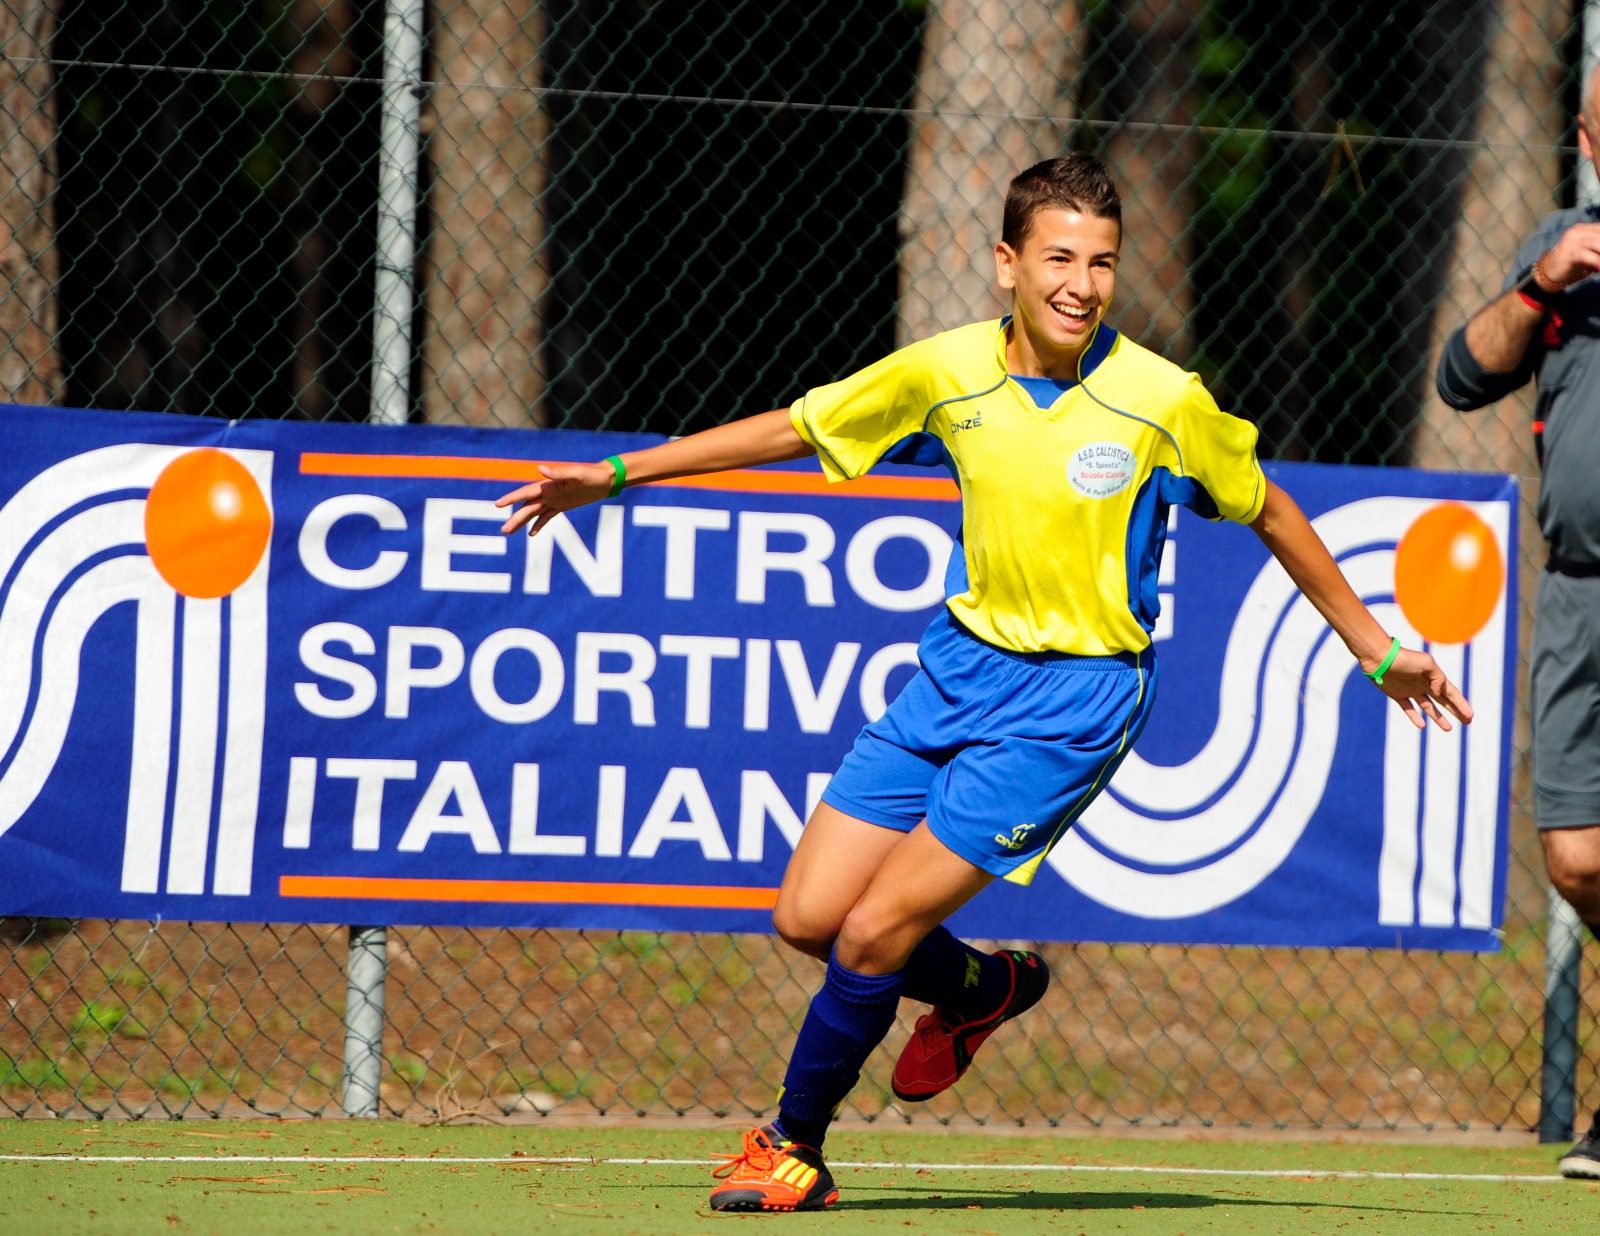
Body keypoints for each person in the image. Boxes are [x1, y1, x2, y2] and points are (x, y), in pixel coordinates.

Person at [501, 153, 1472, 1213]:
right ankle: (986, 987)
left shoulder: (1160, 399)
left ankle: (794, 1146)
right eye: (1058, 256)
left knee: (874, 934)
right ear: (1005, 263)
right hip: (954, 675)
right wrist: (612, 475)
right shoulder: (947, 369)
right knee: (807, 917)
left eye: (1101, 261)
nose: (1081, 283)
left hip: (1075, 703)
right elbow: (796, 426)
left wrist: (1376, 651)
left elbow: (1275, 513)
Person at [1435, 63, 1600, 1183]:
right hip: (1579, 591)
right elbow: (1458, 377)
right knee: (1577, 857)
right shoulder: (1562, 243)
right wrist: (1543, 283)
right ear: (1588, 132)